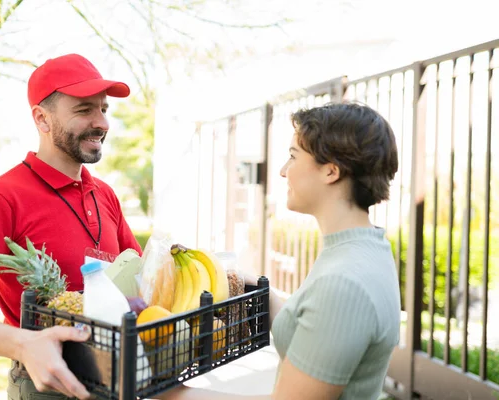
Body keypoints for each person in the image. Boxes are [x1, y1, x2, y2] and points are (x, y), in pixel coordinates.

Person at [0, 53, 142, 400]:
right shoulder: (3, 196)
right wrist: (24, 344)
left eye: (104, 109)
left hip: (118, 377)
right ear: (42, 119)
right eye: (84, 109)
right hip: (48, 386)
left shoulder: (106, 195)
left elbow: (139, 280)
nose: (102, 122)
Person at [158, 102, 401, 400]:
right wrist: (262, 294)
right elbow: (320, 331)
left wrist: (169, 393)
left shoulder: (344, 282)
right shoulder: (363, 248)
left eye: (293, 157)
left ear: (331, 171)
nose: (284, 171)